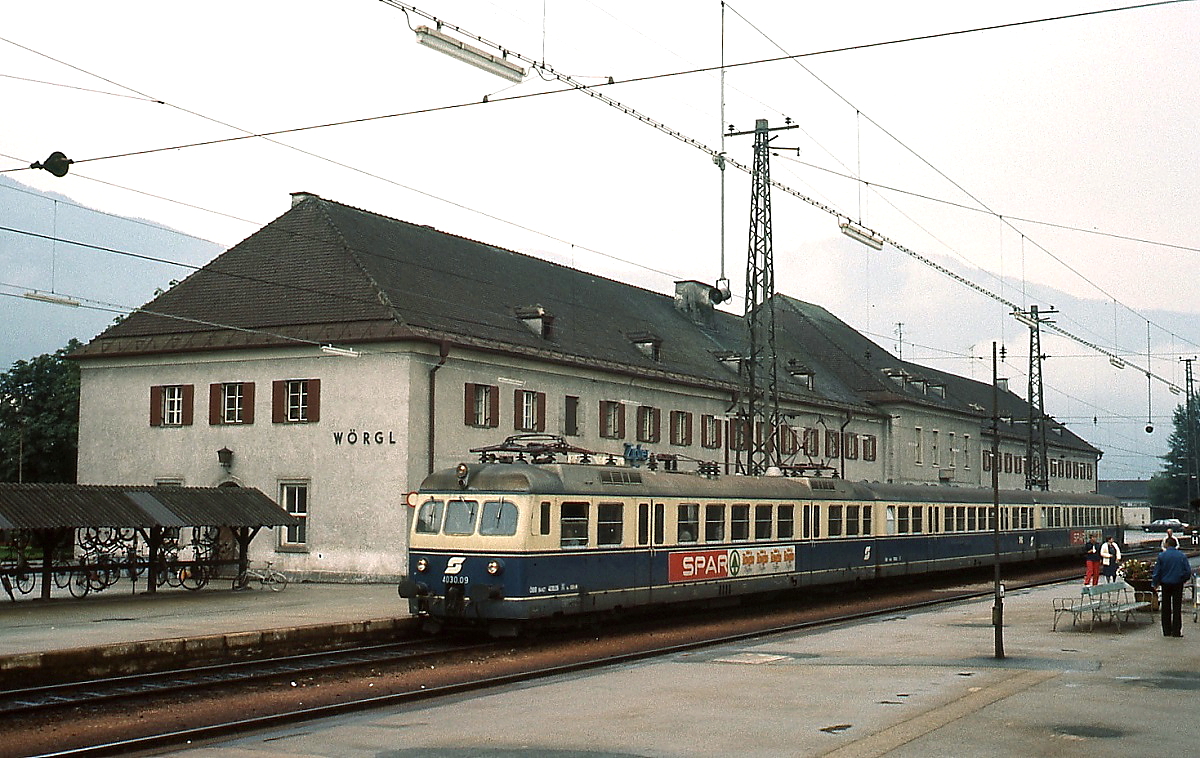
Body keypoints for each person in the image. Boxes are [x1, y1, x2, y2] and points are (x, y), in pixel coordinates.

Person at [1151, 537, 1195, 637]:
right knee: (1177, 607)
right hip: (1177, 583)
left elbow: (1157, 571)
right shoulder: (1182, 556)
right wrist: (1183, 579)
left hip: (1165, 584)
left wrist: (1155, 583)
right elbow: (1187, 571)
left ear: (1167, 544)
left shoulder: (1162, 556)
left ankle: (1166, 631)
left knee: (1165, 607)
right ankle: (1176, 631)